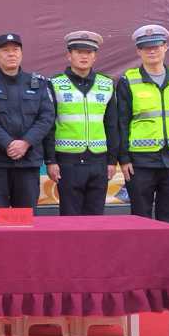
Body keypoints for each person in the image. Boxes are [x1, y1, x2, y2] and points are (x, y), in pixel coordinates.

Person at [117, 24, 169, 224]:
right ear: (138, 51)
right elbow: (121, 123)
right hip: (140, 162)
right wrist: (124, 158)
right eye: (146, 47)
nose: (151, 51)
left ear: (165, 47)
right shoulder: (129, 80)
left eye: (156, 46)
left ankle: (167, 247)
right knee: (140, 218)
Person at [0, 33, 56, 216]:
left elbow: (47, 117)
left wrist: (25, 143)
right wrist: (8, 144)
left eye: (15, 50)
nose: (11, 54)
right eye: (5, 50)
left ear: (21, 54)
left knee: (25, 220)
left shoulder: (39, 83)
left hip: (28, 163)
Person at [43, 31, 120, 216]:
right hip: (67, 161)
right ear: (69, 55)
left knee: (95, 217)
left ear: (95, 56)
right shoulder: (55, 84)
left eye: (89, 52)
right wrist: (51, 161)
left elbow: (112, 125)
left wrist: (112, 161)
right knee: (70, 218)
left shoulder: (106, 84)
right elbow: (48, 125)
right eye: (79, 52)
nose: (84, 56)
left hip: (99, 161)